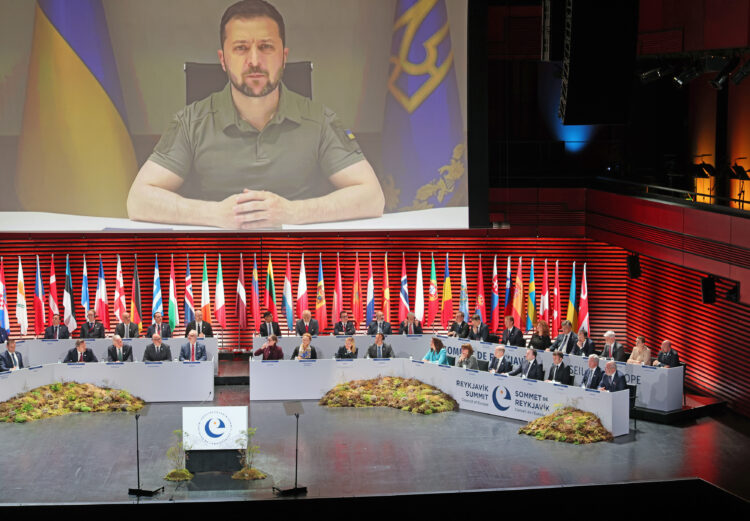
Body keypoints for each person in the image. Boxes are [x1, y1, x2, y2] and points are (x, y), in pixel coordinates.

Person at [127, 0, 384, 230]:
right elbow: (138, 200)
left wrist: (292, 213)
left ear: (284, 57)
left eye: (266, 47)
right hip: (214, 266)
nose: (254, 60)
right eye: (241, 48)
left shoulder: (320, 121)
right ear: (223, 60)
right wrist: (215, 214)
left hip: (299, 267)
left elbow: (372, 197)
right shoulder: (191, 122)